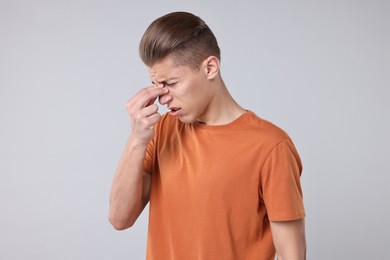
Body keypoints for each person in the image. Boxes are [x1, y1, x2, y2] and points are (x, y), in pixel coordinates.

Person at [109, 11, 306, 260]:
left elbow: (292, 254)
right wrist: (137, 140)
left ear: (210, 68)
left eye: (171, 83)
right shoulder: (161, 131)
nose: (162, 98)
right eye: (158, 86)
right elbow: (119, 218)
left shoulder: (271, 146)